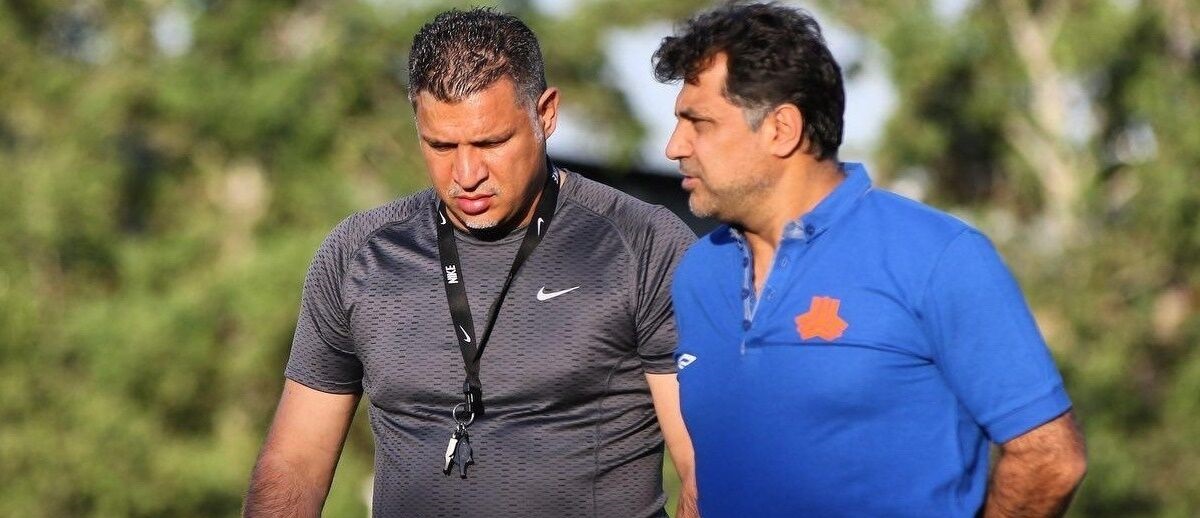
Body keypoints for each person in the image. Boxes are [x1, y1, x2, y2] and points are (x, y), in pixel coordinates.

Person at [243, 8, 697, 518]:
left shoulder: (644, 245)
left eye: (490, 142)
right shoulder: (357, 255)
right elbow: (295, 465)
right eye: (440, 145)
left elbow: (706, 467)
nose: (466, 173)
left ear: (546, 114)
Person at [654, 3, 1087, 517]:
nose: (673, 147)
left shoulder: (938, 256)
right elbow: (707, 479)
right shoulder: (699, 273)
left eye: (698, 123)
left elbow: (1050, 458)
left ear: (781, 129)